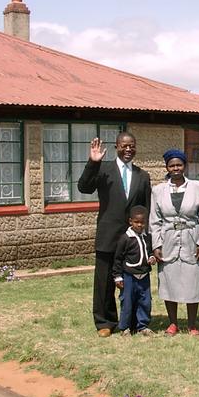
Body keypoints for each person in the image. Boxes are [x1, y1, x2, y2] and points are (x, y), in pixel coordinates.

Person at [78, 133, 152, 337]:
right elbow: (83, 187)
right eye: (124, 146)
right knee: (105, 282)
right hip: (108, 235)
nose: (128, 149)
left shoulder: (143, 176)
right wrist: (93, 162)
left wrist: (148, 240)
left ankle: (135, 322)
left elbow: (146, 209)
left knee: (135, 282)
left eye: (132, 146)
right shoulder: (103, 169)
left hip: (134, 240)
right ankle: (105, 321)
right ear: (116, 147)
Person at [150, 149, 199, 336]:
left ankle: (192, 324)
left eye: (179, 165)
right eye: (172, 165)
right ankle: (173, 323)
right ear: (167, 167)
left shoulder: (198, 187)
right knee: (170, 282)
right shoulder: (158, 190)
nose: (175, 168)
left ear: (185, 166)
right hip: (168, 242)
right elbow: (155, 220)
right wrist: (156, 245)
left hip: (192, 241)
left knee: (193, 282)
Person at [112, 205, 156, 337]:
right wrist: (117, 277)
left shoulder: (147, 236)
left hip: (144, 276)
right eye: (137, 222)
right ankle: (124, 328)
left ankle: (142, 326)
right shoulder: (125, 238)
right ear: (130, 221)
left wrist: (151, 257)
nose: (140, 225)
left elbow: (149, 251)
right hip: (129, 276)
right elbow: (118, 258)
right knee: (127, 301)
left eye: (142, 222)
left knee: (145, 301)